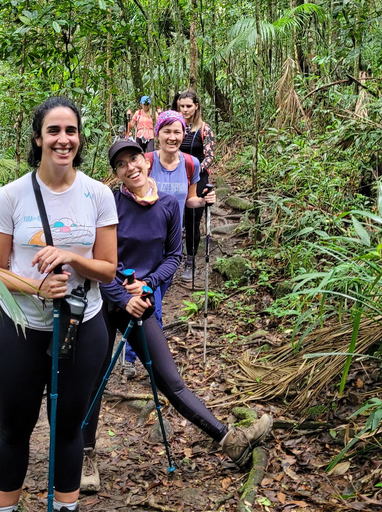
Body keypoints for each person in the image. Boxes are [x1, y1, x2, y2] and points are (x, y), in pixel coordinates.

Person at [80, 138, 273, 492]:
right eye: (121, 164)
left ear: (145, 160)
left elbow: (173, 255)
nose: (131, 167)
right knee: (94, 381)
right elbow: (100, 261)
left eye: (134, 159)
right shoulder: (110, 205)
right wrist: (125, 296)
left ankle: (229, 441)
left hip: (144, 300)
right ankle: (86, 456)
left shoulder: (169, 205)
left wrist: (148, 286)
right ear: (117, 173)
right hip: (107, 302)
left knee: (171, 381)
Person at [0, 96, 118, 512]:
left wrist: (72, 257)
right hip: (21, 330)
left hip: (83, 329)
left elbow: (108, 270)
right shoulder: (11, 196)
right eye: (54, 131)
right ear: (38, 139)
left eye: (71, 131)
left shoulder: (98, 195)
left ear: (80, 138)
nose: (64, 139)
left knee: (68, 430)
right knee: (14, 431)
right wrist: (35, 288)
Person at [118, 110, 216, 377]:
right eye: (167, 131)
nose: (172, 137)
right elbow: (127, 189)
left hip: (169, 245)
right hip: (141, 244)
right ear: (158, 134)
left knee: (150, 301)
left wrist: (206, 201)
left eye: (178, 132)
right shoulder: (145, 160)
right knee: (150, 306)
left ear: (184, 134)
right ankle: (140, 360)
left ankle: (142, 356)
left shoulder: (191, 164)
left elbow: (189, 201)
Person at [172, 90, 217, 281]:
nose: (185, 110)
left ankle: (190, 260)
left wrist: (194, 169)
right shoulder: (175, 126)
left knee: (192, 220)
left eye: (188, 106)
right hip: (175, 177)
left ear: (196, 106)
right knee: (170, 217)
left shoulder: (204, 129)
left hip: (197, 178)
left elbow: (209, 155)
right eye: (181, 106)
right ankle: (171, 258)